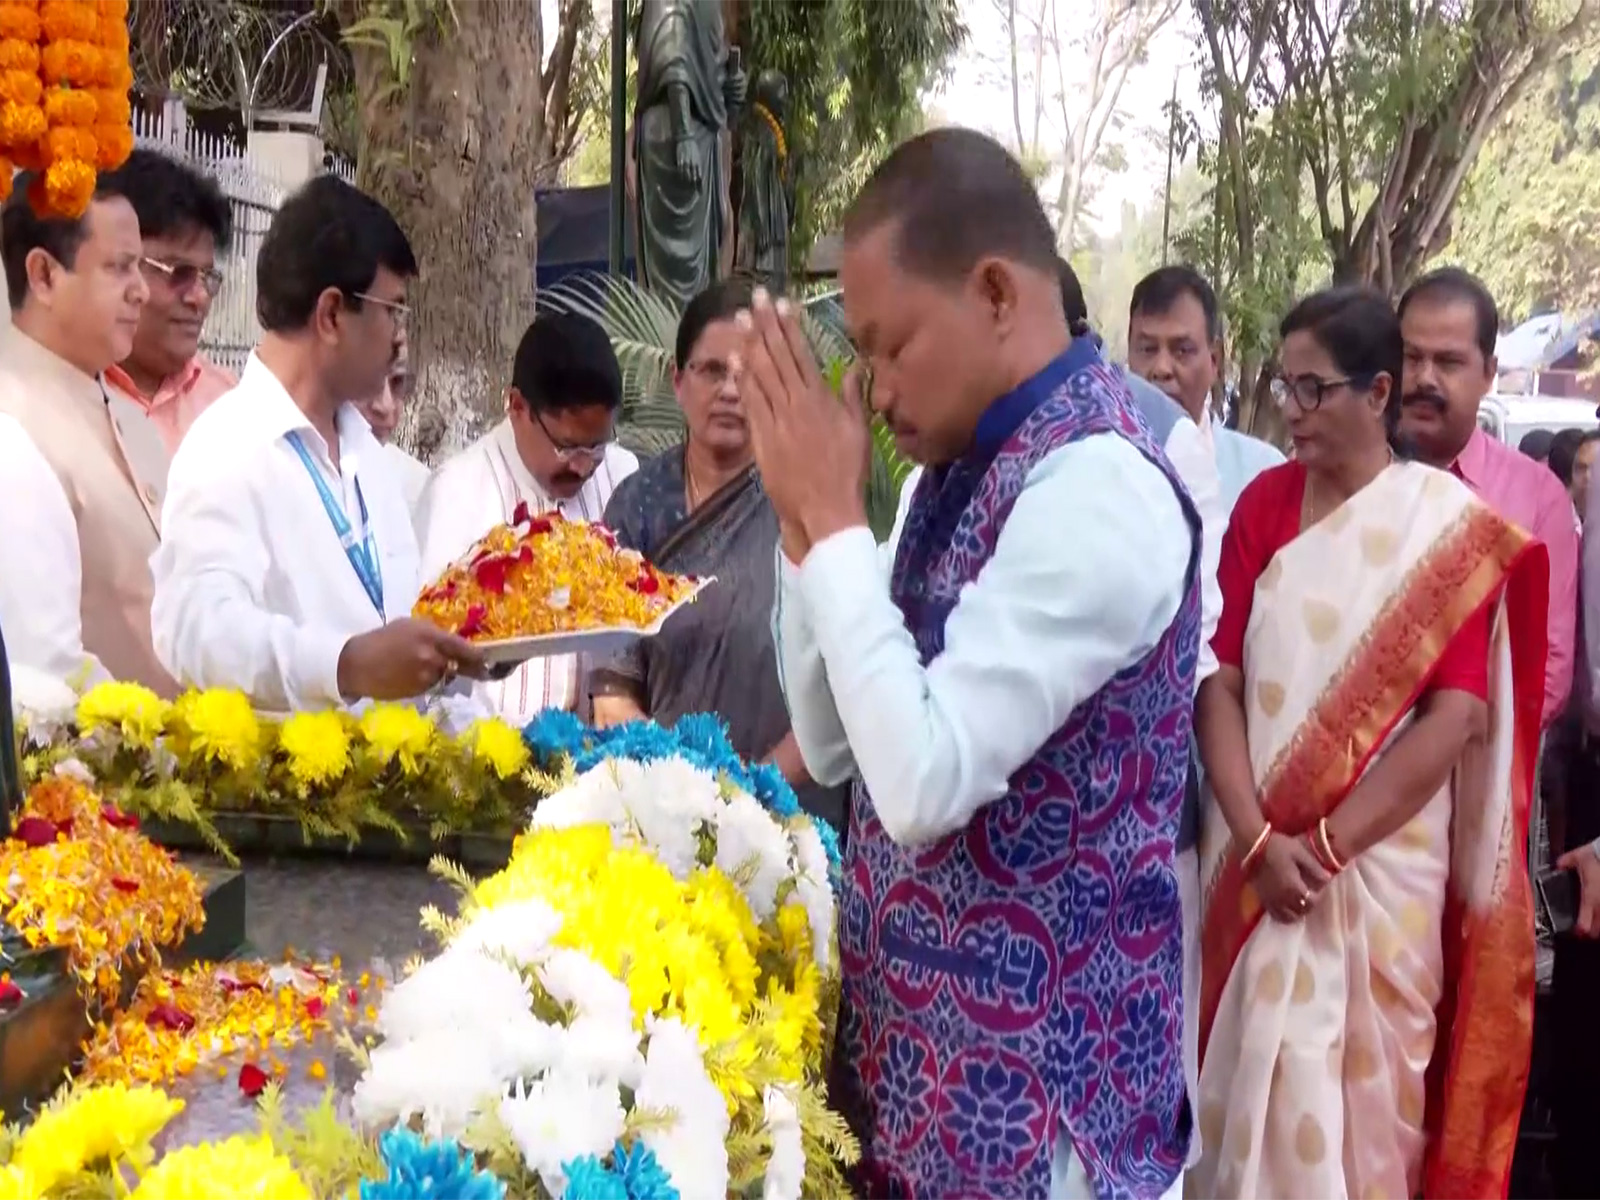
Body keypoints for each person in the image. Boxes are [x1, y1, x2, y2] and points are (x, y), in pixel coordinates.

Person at [757, 128, 1198, 1198]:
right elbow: (832, 741)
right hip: (915, 1103)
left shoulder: (1099, 490)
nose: (872, 386)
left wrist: (828, 517)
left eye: (888, 344)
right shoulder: (942, 482)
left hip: (1040, 1132)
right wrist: (805, 531)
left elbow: (921, 783)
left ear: (996, 293)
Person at [1193, 286, 1544, 1199]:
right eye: (1285, 387)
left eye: (1314, 391)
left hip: (1382, 888)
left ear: (1377, 392)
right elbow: (1219, 683)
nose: (1292, 411)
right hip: (1257, 864)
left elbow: (1458, 717)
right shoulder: (1265, 508)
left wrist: (1326, 848)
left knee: (1369, 1146)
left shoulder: (1439, 531)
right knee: (1240, 1135)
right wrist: (1261, 843)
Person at [151, 176, 484, 712]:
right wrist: (345, 665)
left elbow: (400, 633)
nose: (401, 335)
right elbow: (197, 629)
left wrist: (466, 657)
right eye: (392, 309)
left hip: (397, 779)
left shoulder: (368, 457)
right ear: (331, 315)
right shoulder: (228, 446)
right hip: (289, 791)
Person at [590, 279, 847, 835]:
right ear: (678, 382)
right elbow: (612, 687)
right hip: (664, 818)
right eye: (711, 371)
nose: (730, 390)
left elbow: (842, 687)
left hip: (788, 815)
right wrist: (677, 794)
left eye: (748, 376)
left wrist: (747, 793)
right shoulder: (638, 505)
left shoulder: (813, 501)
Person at [0, 172, 176, 694]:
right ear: (44, 276)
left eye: (141, 268)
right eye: (120, 268)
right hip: (91, 764)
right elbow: (42, 667)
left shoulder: (130, 420)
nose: (142, 291)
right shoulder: (13, 427)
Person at [416, 312, 636, 725]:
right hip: (489, 759)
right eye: (568, 447)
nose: (584, 467)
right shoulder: (458, 492)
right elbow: (426, 665)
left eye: (598, 446)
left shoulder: (623, 479)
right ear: (518, 407)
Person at [1398, 266, 1576, 728]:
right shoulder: (1351, 482)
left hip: (1480, 775)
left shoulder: (1536, 498)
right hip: (1351, 777)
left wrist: (1444, 757)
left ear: (1488, 374)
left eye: (1448, 362)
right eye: (1410, 357)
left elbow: (1548, 670)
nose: (1424, 378)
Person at [99, 148, 236, 455]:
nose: (199, 297)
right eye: (179, 272)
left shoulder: (230, 407)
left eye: (208, 277)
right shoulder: (64, 396)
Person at [1128, 265, 1285, 511]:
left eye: (1182, 350)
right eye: (1147, 349)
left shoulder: (1264, 476)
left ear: (1214, 361)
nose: (1161, 369)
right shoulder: (1095, 471)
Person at [352, 335, 429, 517]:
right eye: (366, 380)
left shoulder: (416, 490)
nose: (385, 405)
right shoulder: (278, 478)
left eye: (398, 381)